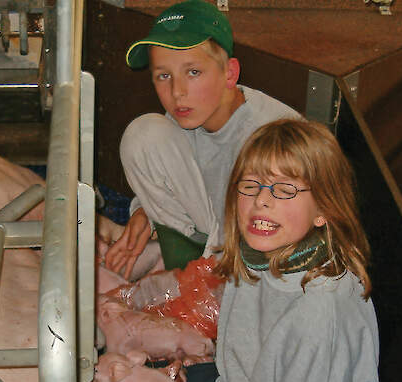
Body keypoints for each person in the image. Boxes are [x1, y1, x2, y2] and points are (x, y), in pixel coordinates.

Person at [92, 118, 380, 382]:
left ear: (324, 210)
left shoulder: (321, 313)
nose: (262, 201)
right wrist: (120, 303)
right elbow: (199, 292)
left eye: (284, 190)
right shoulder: (262, 256)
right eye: (251, 185)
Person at [100, 0, 301, 279]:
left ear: (230, 73)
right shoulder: (187, 114)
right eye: (164, 75)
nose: (177, 91)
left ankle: (206, 280)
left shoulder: (270, 138)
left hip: (273, 260)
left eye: (193, 72)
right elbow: (174, 175)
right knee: (143, 134)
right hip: (219, 232)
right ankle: (187, 267)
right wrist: (145, 213)